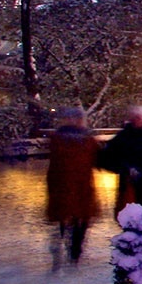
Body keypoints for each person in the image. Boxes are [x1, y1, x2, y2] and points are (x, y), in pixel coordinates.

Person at [43, 108, 100, 264]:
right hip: (62, 184)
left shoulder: (88, 139)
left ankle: (75, 251)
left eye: (76, 118)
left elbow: (98, 159)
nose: (73, 121)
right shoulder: (58, 138)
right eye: (70, 118)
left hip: (82, 185)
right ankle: (66, 249)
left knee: (80, 219)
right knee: (64, 217)